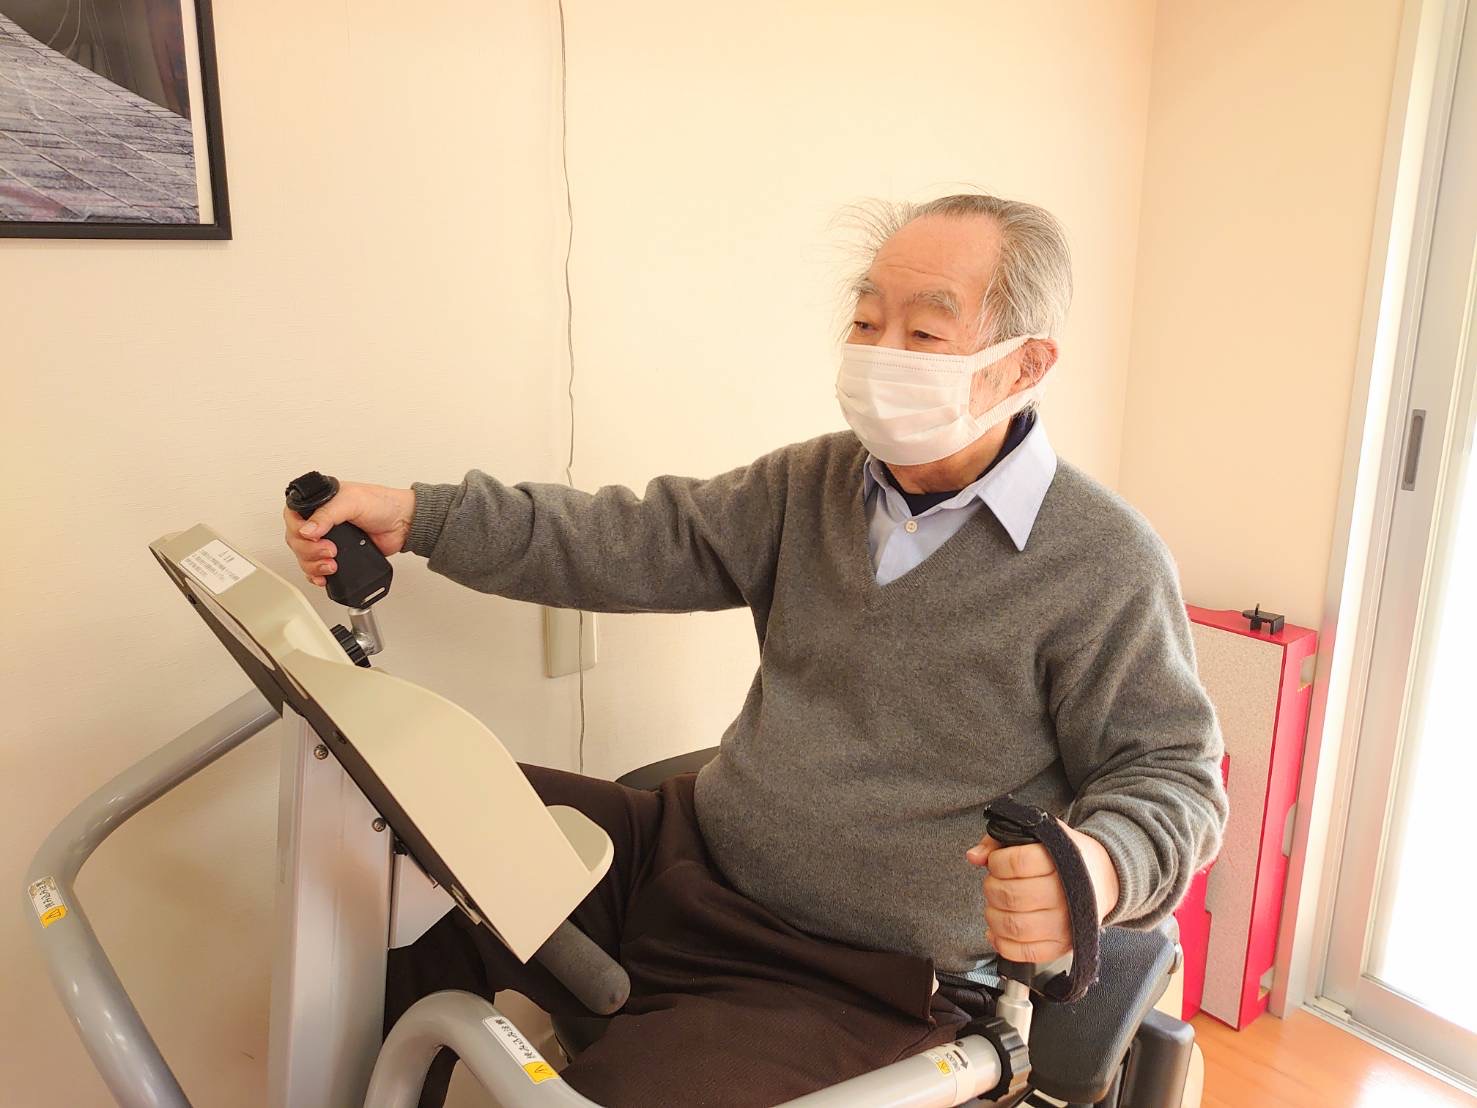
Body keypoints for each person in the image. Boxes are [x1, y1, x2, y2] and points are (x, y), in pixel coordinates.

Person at [283, 192, 1228, 1107]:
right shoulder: (812, 482)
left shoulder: (1101, 560)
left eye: (923, 333)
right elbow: (629, 538)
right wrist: (420, 515)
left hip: (860, 979)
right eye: (866, 321)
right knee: (415, 828)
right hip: (683, 858)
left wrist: (1099, 867)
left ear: (1022, 367)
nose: (879, 354)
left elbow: (1172, 776)